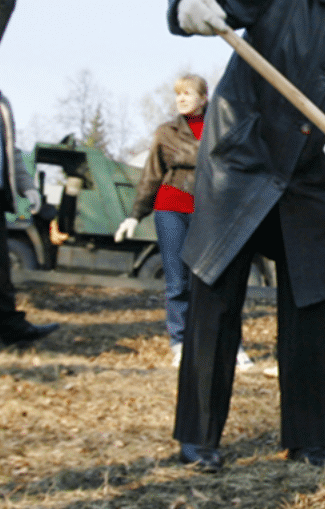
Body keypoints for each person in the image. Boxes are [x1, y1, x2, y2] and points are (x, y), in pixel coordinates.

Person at [167, 0, 325, 472]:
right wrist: (188, 8)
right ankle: (199, 435)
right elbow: (223, 4)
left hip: (310, 177)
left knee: (310, 299)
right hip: (242, 159)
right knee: (216, 294)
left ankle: (307, 438)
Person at [117, 75, 253, 370]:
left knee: (214, 280)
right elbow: (152, 174)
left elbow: (237, 169)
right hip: (171, 208)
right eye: (177, 94)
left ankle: (231, 345)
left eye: (187, 93)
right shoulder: (166, 133)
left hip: (209, 211)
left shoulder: (221, 127)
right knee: (177, 281)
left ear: (204, 98)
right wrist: (134, 215)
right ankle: (179, 342)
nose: (180, 99)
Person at [0, 87, 59, 347]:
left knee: (0, 269)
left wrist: (28, 186)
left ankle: (12, 329)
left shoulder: (1, 101)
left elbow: (10, 150)